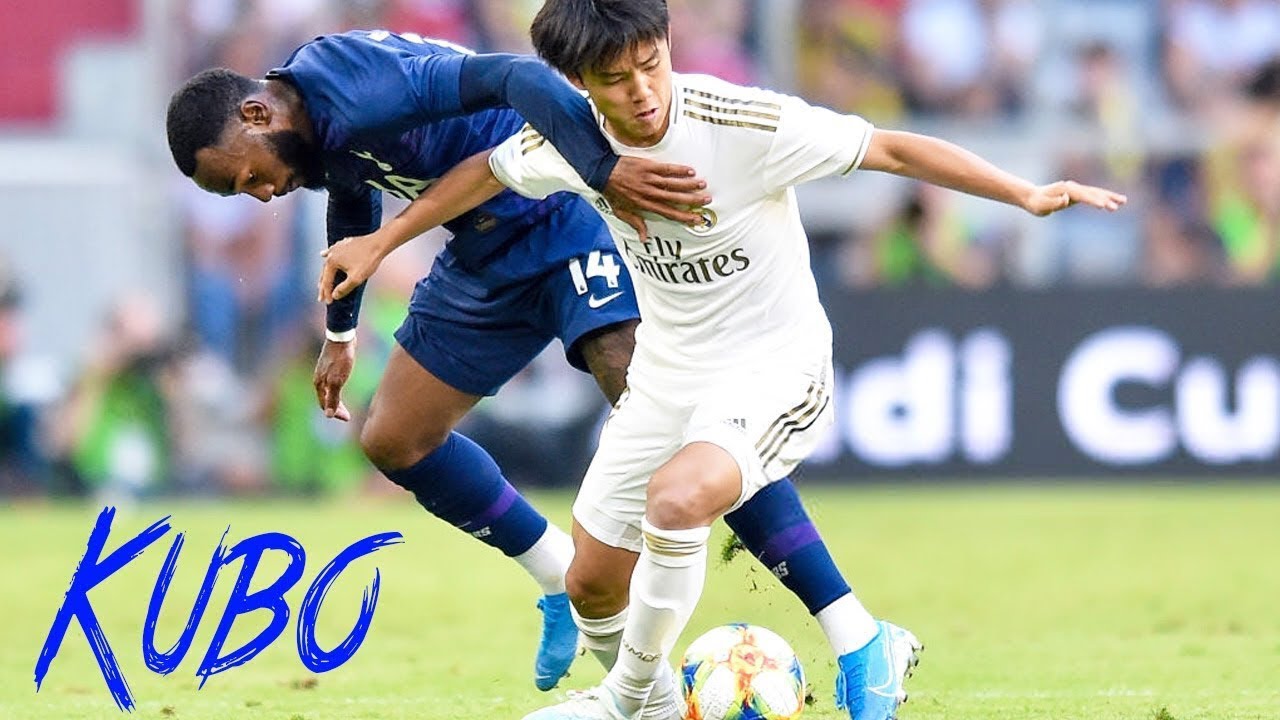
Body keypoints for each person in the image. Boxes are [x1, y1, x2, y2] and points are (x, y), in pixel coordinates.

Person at [316, 2, 1128, 719]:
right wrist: (382, 241)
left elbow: (892, 150)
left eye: (651, 64)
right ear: (579, 85)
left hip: (774, 366)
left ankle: (628, 698)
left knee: (678, 499)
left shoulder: (741, 124)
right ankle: (803, 659)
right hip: (669, 374)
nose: (643, 92)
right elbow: (487, 172)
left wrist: (1025, 193)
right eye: (616, 79)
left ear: (667, 44)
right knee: (590, 583)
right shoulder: (572, 139)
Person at [165, 29, 877, 699]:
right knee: (394, 438)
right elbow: (355, 196)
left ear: (255, 114)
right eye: (241, 193)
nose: (261, 193)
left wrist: (603, 170)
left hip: (565, 213)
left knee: (681, 427)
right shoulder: (310, 121)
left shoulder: (364, 84)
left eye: (247, 177)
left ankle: (853, 633)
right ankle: (559, 579)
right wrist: (341, 332)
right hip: (484, 247)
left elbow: (512, 75)